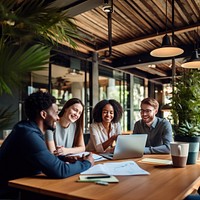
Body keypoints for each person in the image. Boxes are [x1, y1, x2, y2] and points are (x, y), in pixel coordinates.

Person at [0, 91, 94, 199]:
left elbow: (43, 156)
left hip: (23, 188)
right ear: (44, 114)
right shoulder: (28, 135)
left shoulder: (27, 128)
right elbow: (60, 171)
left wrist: (66, 158)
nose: (58, 118)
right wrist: (87, 163)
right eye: (56, 113)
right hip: (11, 193)